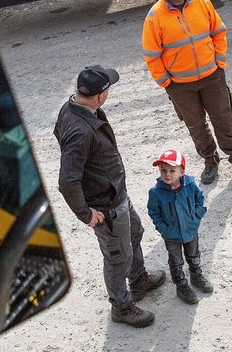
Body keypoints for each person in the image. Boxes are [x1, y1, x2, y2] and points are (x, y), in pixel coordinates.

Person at [55, 64, 166, 327]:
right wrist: (86, 214)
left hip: (116, 194)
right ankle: (122, 307)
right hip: (105, 207)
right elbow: (67, 181)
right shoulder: (80, 131)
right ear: (101, 95)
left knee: (135, 232)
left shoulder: (75, 107)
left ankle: (138, 279)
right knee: (117, 257)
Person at [141, 0, 232, 184]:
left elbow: (218, 32)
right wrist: (166, 82)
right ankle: (210, 162)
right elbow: (152, 55)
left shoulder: (201, 2)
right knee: (197, 126)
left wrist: (220, 62)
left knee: (224, 119)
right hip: (180, 85)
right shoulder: (154, 17)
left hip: (212, 77)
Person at [146, 148, 213, 305]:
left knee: (193, 255)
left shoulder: (191, 185)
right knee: (176, 261)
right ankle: (181, 285)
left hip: (190, 230)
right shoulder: (156, 192)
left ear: (182, 171)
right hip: (171, 235)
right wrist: (163, 228)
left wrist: (196, 216)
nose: (167, 175)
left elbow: (201, 199)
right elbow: (153, 212)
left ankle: (196, 276)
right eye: (163, 170)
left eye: (172, 170)